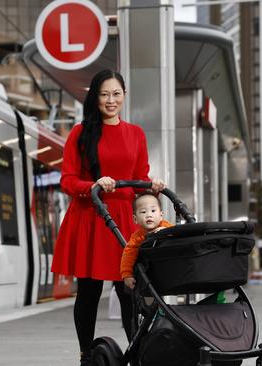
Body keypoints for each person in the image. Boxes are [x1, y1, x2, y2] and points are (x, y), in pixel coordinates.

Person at [51, 69, 164, 365]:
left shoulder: (135, 134)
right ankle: (86, 355)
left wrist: (152, 185)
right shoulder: (80, 133)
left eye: (116, 94)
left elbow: (139, 177)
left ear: (124, 96)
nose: (110, 100)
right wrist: (94, 185)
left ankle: (136, 353)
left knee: (128, 289)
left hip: (124, 221)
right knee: (88, 290)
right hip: (91, 216)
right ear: (95, 98)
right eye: (104, 94)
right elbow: (67, 180)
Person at [121, 193, 173, 289]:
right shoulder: (137, 237)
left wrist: (166, 232)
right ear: (135, 219)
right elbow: (128, 254)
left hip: (169, 267)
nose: (149, 215)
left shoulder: (166, 227)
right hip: (150, 273)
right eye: (143, 212)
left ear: (161, 215)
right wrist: (127, 275)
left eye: (153, 211)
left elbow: (179, 236)